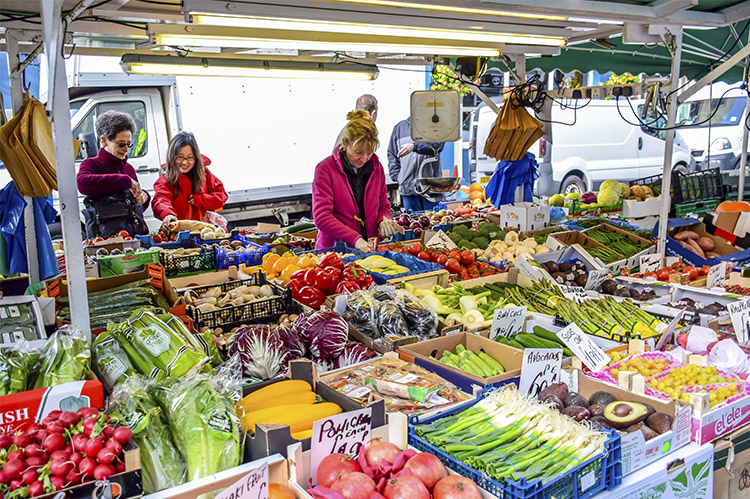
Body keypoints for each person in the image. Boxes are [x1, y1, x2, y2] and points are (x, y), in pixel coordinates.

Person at [313, 109, 402, 251]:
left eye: (370, 152)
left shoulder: (376, 168)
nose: (365, 159)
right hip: (335, 253)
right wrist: (355, 239)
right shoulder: (325, 169)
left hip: (369, 249)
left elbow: (383, 206)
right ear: (344, 143)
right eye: (358, 152)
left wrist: (384, 220)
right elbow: (322, 217)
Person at [77, 110, 149, 238]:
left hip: (134, 238)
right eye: (121, 144)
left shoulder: (129, 169)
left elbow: (135, 208)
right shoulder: (91, 165)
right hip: (105, 241)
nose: (126, 149)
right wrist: (124, 180)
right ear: (104, 141)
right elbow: (83, 183)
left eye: (129, 144)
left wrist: (142, 198)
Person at [152, 131, 228, 229]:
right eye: (179, 157)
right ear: (172, 157)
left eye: (190, 158)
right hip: (180, 232)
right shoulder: (165, 179)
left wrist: (201, 200)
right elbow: (160, 200)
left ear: (196, 157)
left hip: (207, 232)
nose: (184, 162)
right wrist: (168, 214)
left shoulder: (204, 173)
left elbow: (221, 195)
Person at [387, 117, 445, 212]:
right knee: (412, 223)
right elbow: (392, 154)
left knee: (433, 222)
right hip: (408, 191)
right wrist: (398, 177)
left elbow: (438, 145)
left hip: (431, 190)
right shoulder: (399, 128)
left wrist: (414, 147)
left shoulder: (435, 126)